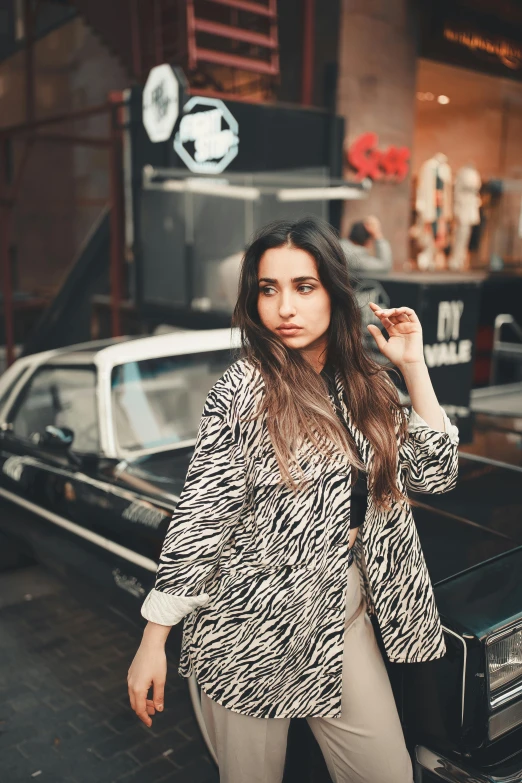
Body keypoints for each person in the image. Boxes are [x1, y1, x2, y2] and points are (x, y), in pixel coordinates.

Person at [128, 216, 459, 783]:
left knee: (387, 774)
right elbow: (204, 516)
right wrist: (153, 638)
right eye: (268, 289)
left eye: (304, 287)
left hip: (341, 607)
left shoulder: (366, 383)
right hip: (248, 622)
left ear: (334, 289)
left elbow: (436, 471)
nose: (285, 308)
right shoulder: (242, 389)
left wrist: (413, 366)